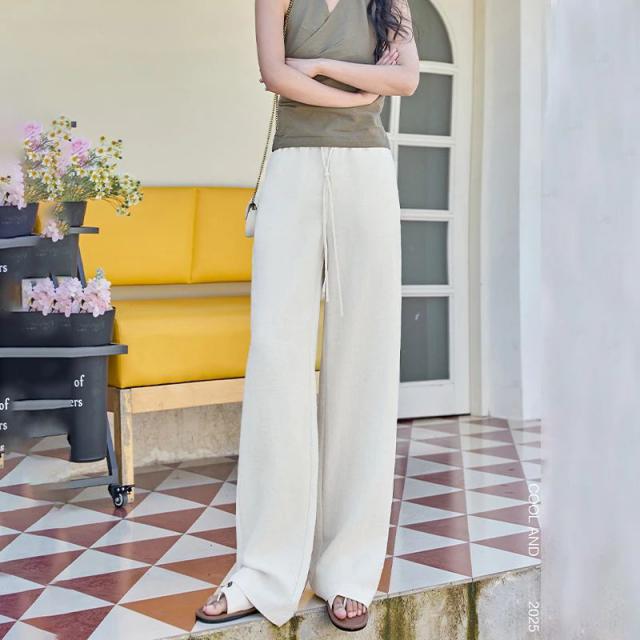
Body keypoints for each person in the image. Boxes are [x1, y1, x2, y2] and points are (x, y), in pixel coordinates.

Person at [196, 0, 418, 631]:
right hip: (292, 169)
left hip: (367, 172)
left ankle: (349, 570)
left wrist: (318, 67)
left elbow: (406, 78)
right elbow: (274, 73)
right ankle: (262, 570)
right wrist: (361, 90)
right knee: (276, 359)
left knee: (366, 360)